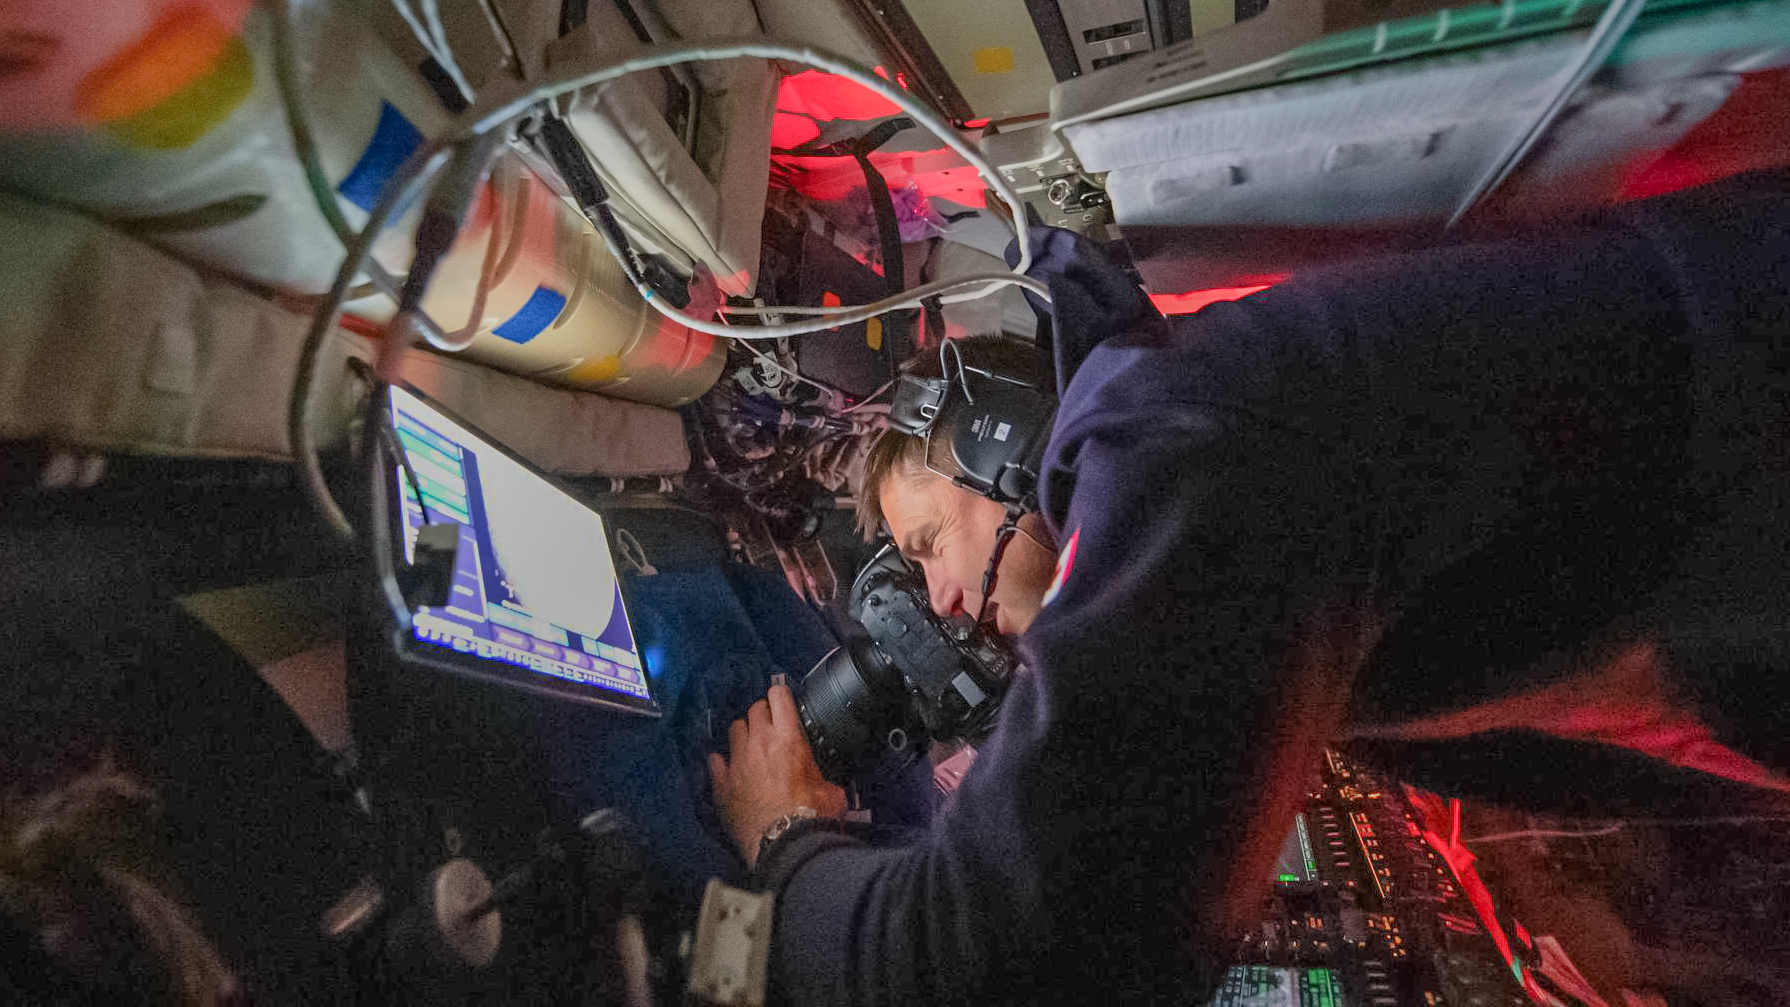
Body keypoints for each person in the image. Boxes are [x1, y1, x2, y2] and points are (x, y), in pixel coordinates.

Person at [707, 169, 1790, 1005]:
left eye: (929, 539)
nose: (939, 603)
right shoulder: (1199, 450)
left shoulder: (1176, 445)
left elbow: (1008, 959)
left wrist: (784, 842)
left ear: (997, 443)